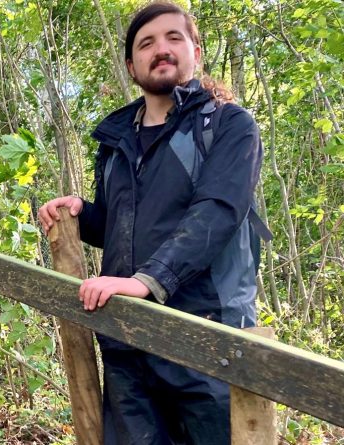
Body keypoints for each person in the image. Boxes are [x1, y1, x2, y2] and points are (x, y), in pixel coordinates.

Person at [38, 2, 264, 444]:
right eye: (146, 43)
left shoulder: (229, 125)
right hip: (127, 341)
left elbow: (217, 212)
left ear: (195, 51)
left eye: (173, 38)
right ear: (131, 64)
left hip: (206, 339)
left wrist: (147, 281)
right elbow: (122, 227)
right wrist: (84, 214)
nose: (161, 49)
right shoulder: (116, 143)